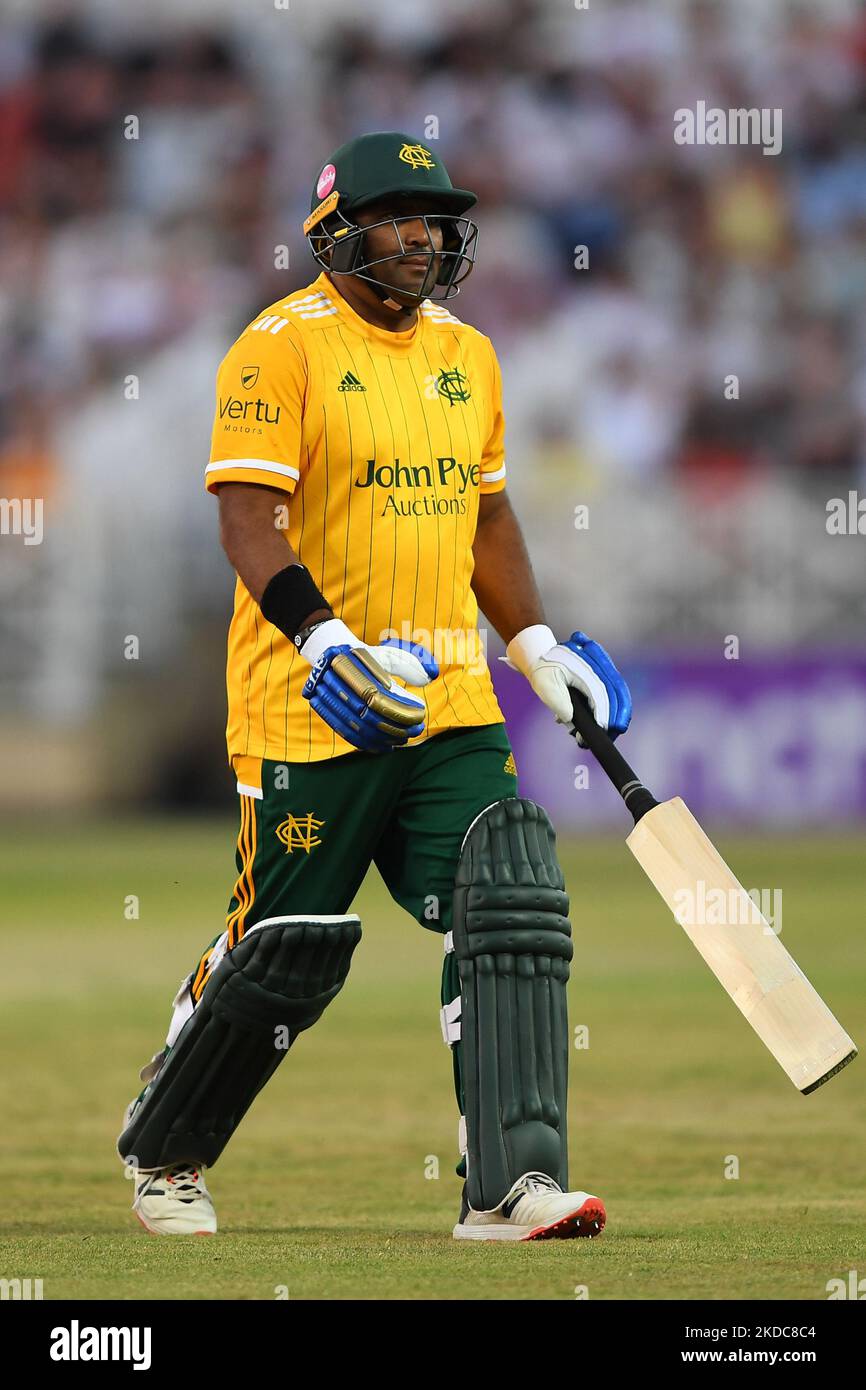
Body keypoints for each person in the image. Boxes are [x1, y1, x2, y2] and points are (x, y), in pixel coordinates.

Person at [118, 131, 632, 1240]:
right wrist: (321, 642)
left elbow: (484, 512)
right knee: (286, 938)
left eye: (440, 219)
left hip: (449, 703)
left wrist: (532, 643)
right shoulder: (277, 348)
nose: (429, 237)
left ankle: (507, 1183)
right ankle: (168, 1151)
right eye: (403, 216)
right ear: (337, 229)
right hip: (310, 704)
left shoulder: (469, 354)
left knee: (509, 906)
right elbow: (245, 519)